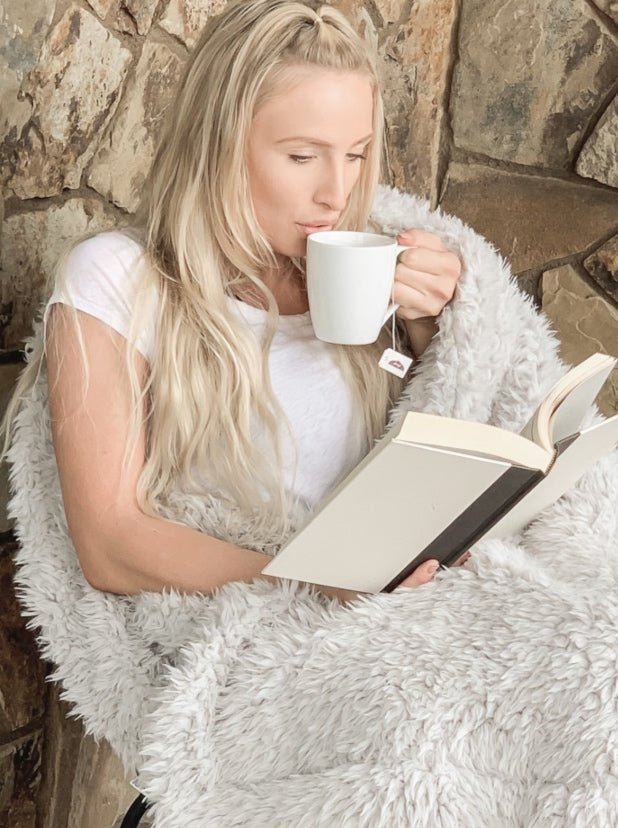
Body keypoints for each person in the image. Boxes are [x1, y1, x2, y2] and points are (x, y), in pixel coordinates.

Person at [5, 0, 467, 604]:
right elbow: (111, 544)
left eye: (355, 155)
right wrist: (314, 586)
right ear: (217, 144)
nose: (337, 191)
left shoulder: (372, 265)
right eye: (302, 156)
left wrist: (437, 325)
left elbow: (460, 419)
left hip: (403, 602)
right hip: (266, 624)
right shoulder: (120, 279)